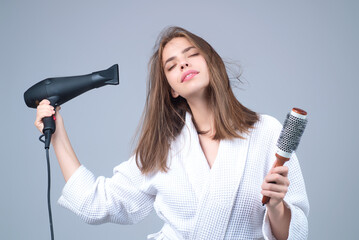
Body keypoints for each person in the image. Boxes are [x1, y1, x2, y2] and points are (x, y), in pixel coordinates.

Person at [35, 26, 309, 240]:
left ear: (212, 64)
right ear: (172, 89)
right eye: (171, 65)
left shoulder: (266, 131)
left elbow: (294, 234)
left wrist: (276, 207)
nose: (183, 64)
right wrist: (57, 133)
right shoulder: (163, 149)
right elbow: (94, 204)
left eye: (192, 55)